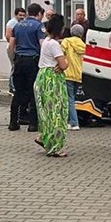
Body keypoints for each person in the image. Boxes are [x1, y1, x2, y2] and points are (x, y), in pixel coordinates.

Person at [35, 13, 69, 156]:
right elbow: (63, 64)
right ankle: (54, 146)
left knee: (45, 111)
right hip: (52, 80)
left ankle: (43, 136)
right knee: (57, 111)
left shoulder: (46, 42)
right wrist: (64, 62)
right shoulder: (55, 45)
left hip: (42, 75)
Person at [8, 4, 44, 132]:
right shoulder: (39, 26)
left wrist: (14, 61)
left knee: (18, 91)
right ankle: (33, 124)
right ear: (39, 13)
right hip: (32, 61)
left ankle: (13, 122)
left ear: (28, 12)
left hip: (19, 60)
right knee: (33, 91)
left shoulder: (17, 25)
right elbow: (42, 45)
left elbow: (11, 46)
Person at [61, 24, 87, 132]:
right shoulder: (84, 45)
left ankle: (74, 123)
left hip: (68, 73)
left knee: (69, 99)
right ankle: (69, 121)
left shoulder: (66, 42)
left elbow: (60, 54)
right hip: (78, 75)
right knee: (72, 98)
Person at [4, 8, 25, 93]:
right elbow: (8, 36)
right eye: (20, 15)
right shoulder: (12, 23)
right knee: (14, 66)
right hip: (12, 48)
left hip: (19, 48)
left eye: (23, 15)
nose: (22, 17)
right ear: (16, 15)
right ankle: (12, 87)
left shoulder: (23, 23)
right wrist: (14, 46)